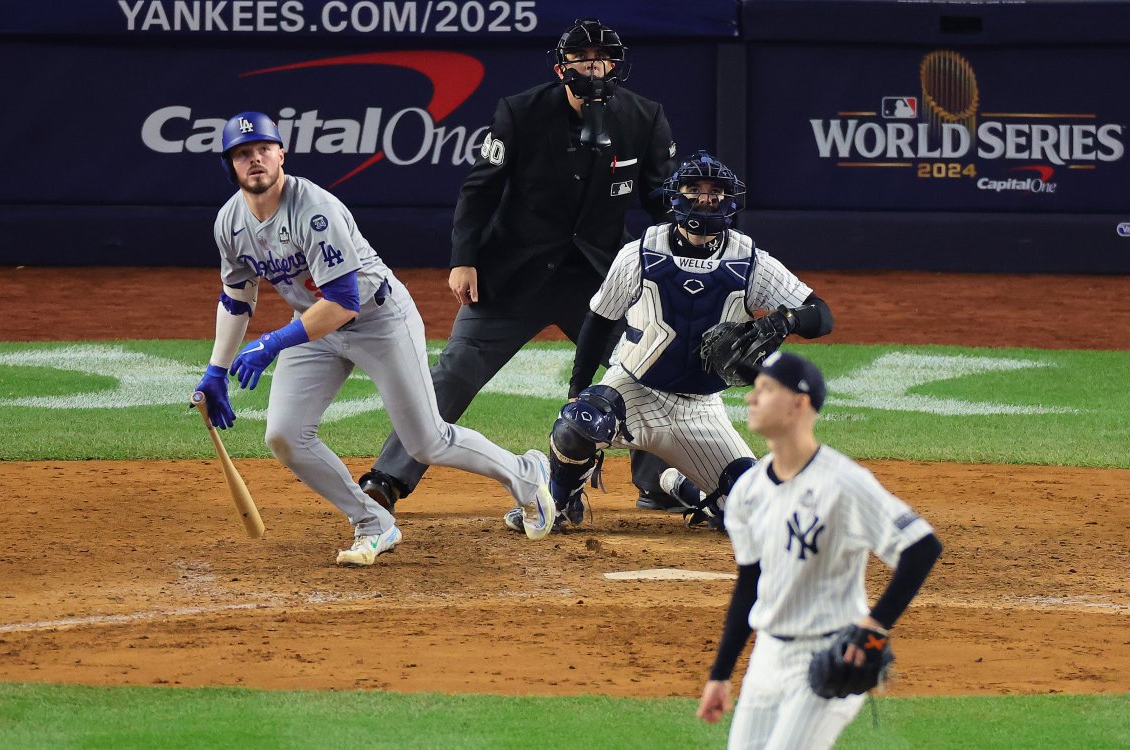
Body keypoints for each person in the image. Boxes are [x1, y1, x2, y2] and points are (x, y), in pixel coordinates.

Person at [191, 111, 558, 566]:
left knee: (426, 441)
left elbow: (344, 301)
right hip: (314, 327)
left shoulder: (314, 210)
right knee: (285, 435)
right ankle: (373, 522)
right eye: (243, 154)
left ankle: (526, 474)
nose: (256, 160)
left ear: (281, 153)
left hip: (377, 319)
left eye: (264, 149)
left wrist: (271, 344)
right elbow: (236, 298)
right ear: (231, 166)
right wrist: (216, 370)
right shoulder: (229, 223)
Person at [357, 17, 680, 520]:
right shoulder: (521, 112)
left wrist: (678, 258)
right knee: (457, 368)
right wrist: (464, 259)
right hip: (514, 271)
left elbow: (661, 200)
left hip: (600, 280)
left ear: (615, 65)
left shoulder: (643, 118)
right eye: (582, 59)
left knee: (648, 364)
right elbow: (479, 189)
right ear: (562, 68)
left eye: (603, 58)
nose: (594, 67)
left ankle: (657, 479)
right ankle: (389, 478)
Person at [521, 150, 835, 534]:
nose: (705, 198)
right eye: (695, 189)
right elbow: (599, 320)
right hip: (633, 390)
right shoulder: (640, 253)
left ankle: (677, 485)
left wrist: (786, 319)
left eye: (715, 191)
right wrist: (577, 387)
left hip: (700, 412)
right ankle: (559, 499)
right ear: (676, 196)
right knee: (579, 422)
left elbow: (821, 315)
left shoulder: (750, 261)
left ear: (728, 198)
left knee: (757, 515)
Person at [695, 352, 942, 749]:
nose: (750, 399)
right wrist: (720, 675)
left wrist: (875, 625)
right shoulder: (747, 490)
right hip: (766, 659)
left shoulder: (845, 482)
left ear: (799, 403)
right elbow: (749, 583)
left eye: (766, 389)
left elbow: (922, 547)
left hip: (829, 654)